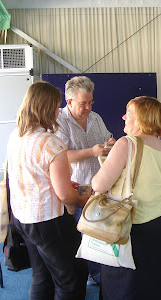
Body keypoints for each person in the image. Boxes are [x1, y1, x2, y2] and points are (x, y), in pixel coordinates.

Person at [7, 81, 90, 300]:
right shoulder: (50, 143)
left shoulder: (15, 136)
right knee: (72, 276)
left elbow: (34, 177)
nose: (58, 112)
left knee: (42, 274)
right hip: (49, 220)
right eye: (56, 106)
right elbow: (65, 195)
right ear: (45, 108)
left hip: (23, 218)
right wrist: (83, 199)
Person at [91, 96, 161, 300]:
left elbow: (99, 185)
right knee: (154, 280)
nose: (123, 117)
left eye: (128, 113)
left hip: (130, 225)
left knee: (125, 284)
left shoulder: (126, 144)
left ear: (141, 118)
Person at [55, 76, 115, 285]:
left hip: (99, 186)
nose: (88, 107)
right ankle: (89, 275)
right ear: (69, 101)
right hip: (76, 187)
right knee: (81, 235)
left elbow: (107, 138)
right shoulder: (59, 122)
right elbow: (61, 155)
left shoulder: (96, 118)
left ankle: (98, 273)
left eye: (90, 102)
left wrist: (111, 143)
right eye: (83, 104)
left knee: (99, 233)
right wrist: (92, 151)